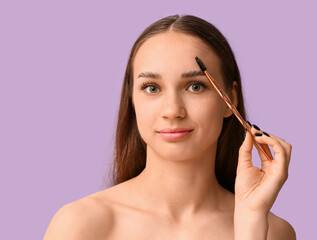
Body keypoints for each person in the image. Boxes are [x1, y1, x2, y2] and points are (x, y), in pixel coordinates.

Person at [44, 14, 295, 239]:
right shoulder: (80, 225)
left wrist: (250, 224)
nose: (173, 111)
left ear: (229, 99)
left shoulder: (273, 231)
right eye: (152, 88)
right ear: (132, 100)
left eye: (195, 86)